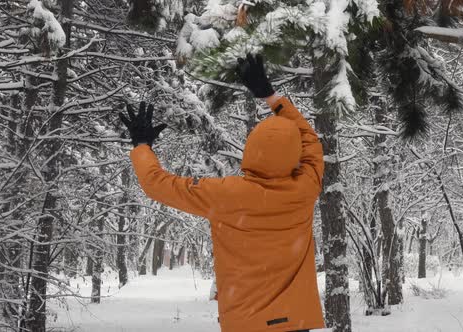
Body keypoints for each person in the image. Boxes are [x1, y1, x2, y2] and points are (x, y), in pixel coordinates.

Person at [119, 54, 325, 332]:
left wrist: (142, 146)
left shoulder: (227, 195)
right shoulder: (304, 189)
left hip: (247, 324)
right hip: (296, 321)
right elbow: (310, 141)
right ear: (294, 155)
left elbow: (157, 184)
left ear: (251, 151)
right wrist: (271, 97)